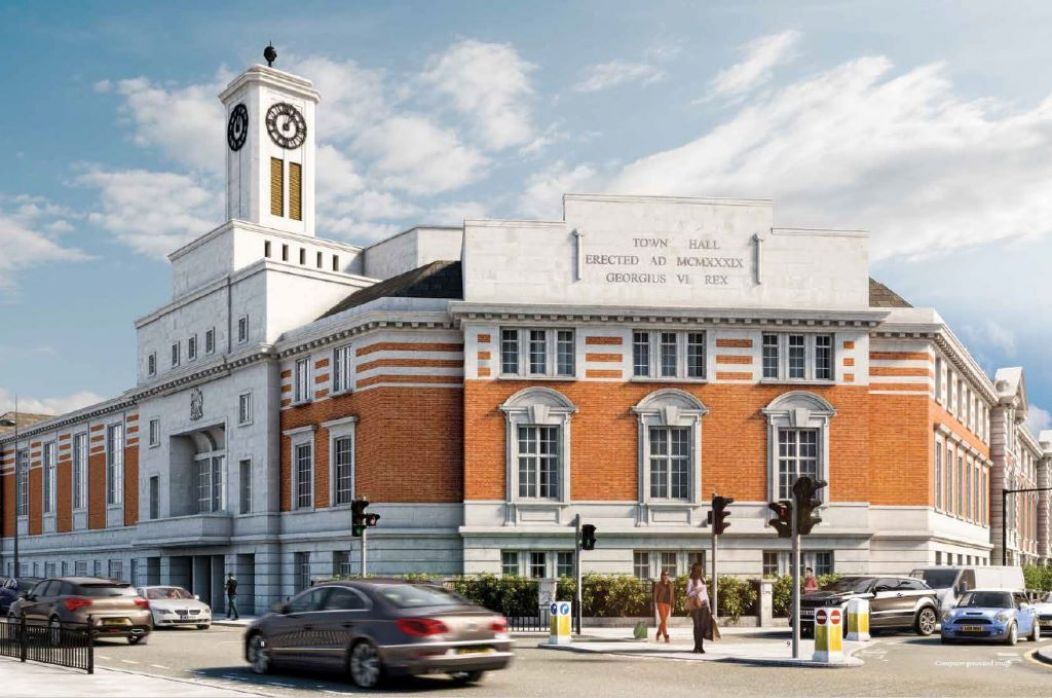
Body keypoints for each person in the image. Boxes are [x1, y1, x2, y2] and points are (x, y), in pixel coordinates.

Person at [686, 562, 718, 653]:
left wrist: (709, 607)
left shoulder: (703, 579)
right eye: (701, 569)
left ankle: (701, 647)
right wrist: (696, 590)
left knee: (702, 626)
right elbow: (688, 593)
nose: (702, 570)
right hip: (695, 605)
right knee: (697, 626)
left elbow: (706, 594)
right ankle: (696, 646)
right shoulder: (691, 580)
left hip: (704, 605)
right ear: (697, 570)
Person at [653, 569, 675, 643]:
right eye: (664, 575)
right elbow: (655, 595)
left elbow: (672, 596)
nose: (666, 576)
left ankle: (658, 633)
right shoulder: (658, 584)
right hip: (660, 603)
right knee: (663, 620)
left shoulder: (671, 584)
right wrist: (655, 603)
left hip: (668, 604)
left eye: (667, 575)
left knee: (664, 620)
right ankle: (666, 636)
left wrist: (672, 606)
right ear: (662, 576)